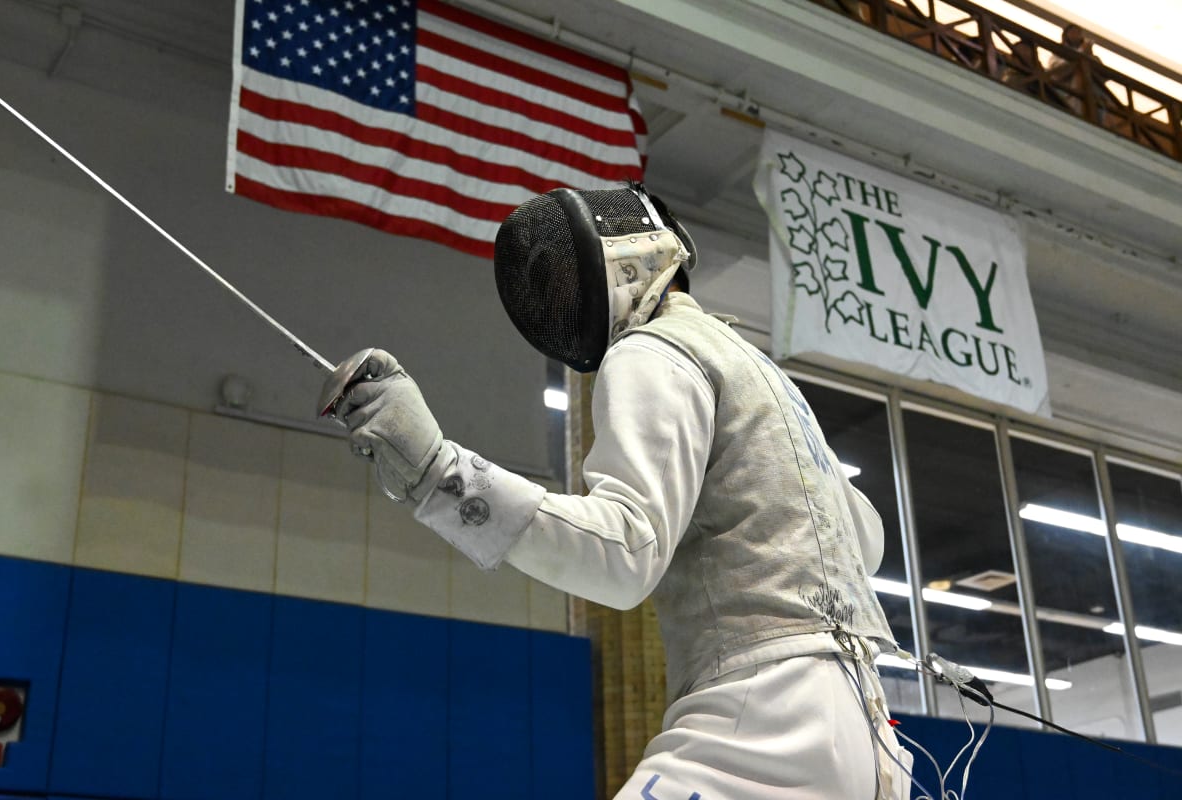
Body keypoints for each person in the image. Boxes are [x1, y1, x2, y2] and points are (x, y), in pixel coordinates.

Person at [322, 183, 911, 799]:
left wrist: (437, 472)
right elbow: (862, 540)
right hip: (871, 733)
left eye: (562, 283)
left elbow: (626, 554)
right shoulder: (761, 371)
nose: (557, 302)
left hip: (764, 718)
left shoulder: (654, 350)